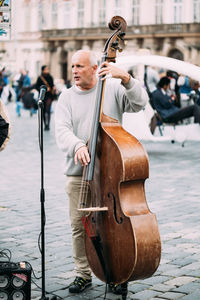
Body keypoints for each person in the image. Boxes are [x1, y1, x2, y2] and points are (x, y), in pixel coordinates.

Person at [55, 50, 148, 294]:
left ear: (95, 68)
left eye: (80, 66)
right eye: (72, 66)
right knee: (79, 224)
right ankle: (82, 274)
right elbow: (62, 130)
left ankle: (117, 274)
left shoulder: (112, 90)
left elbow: (140, 104)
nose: (74, 70)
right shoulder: (66, 98)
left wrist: (126, 79)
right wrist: (77, 145)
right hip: (79, 174)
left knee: (113, 226)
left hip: (111, 175)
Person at [35, 65, 55, 130]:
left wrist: (53, 88)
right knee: (43, 111)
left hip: (49, 95)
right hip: (43, 96)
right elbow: (36, 86)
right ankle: (45, 124)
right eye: (46, 69)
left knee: (48, 110)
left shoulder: (50, 77)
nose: (47, 70)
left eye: (48, 69)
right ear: (43, 70)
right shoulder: (40, 78)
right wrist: (42, 89)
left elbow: (52, 85)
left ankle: (48, 125)